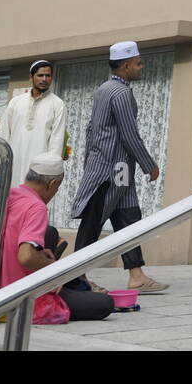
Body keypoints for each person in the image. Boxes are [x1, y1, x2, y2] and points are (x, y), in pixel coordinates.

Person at [70, 41, 167, 294]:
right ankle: (74, 276)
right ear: (125, 66)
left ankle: (137, 275)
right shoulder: (121, 93)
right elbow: (129, 134)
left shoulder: (104, 89)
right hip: (111, 170)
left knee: (128, 218)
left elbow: (91, 129)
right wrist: (149, 164)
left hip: (117, 168)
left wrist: (88, 160)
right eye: (138, 63)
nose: (141, 67)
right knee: (93, 222)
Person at [0, 152, 114, 323]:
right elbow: (25, 256)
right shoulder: (36, 207)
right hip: (16, 299)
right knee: (104, 304)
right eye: (56, 189)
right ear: (52, 184)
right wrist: (52, 269)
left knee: (49, 233)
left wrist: (41, 255)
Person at [0, 60, 66, 208]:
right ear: (31, 77)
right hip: (12, 168)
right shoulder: (16, 102)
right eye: (40, 75)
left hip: (38, 174)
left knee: (31, 212)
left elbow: (56, 142)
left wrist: (50, 175)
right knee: (7, 211)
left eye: (48, 76)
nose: (44, 79)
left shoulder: (57, 104)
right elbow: (2, 136)